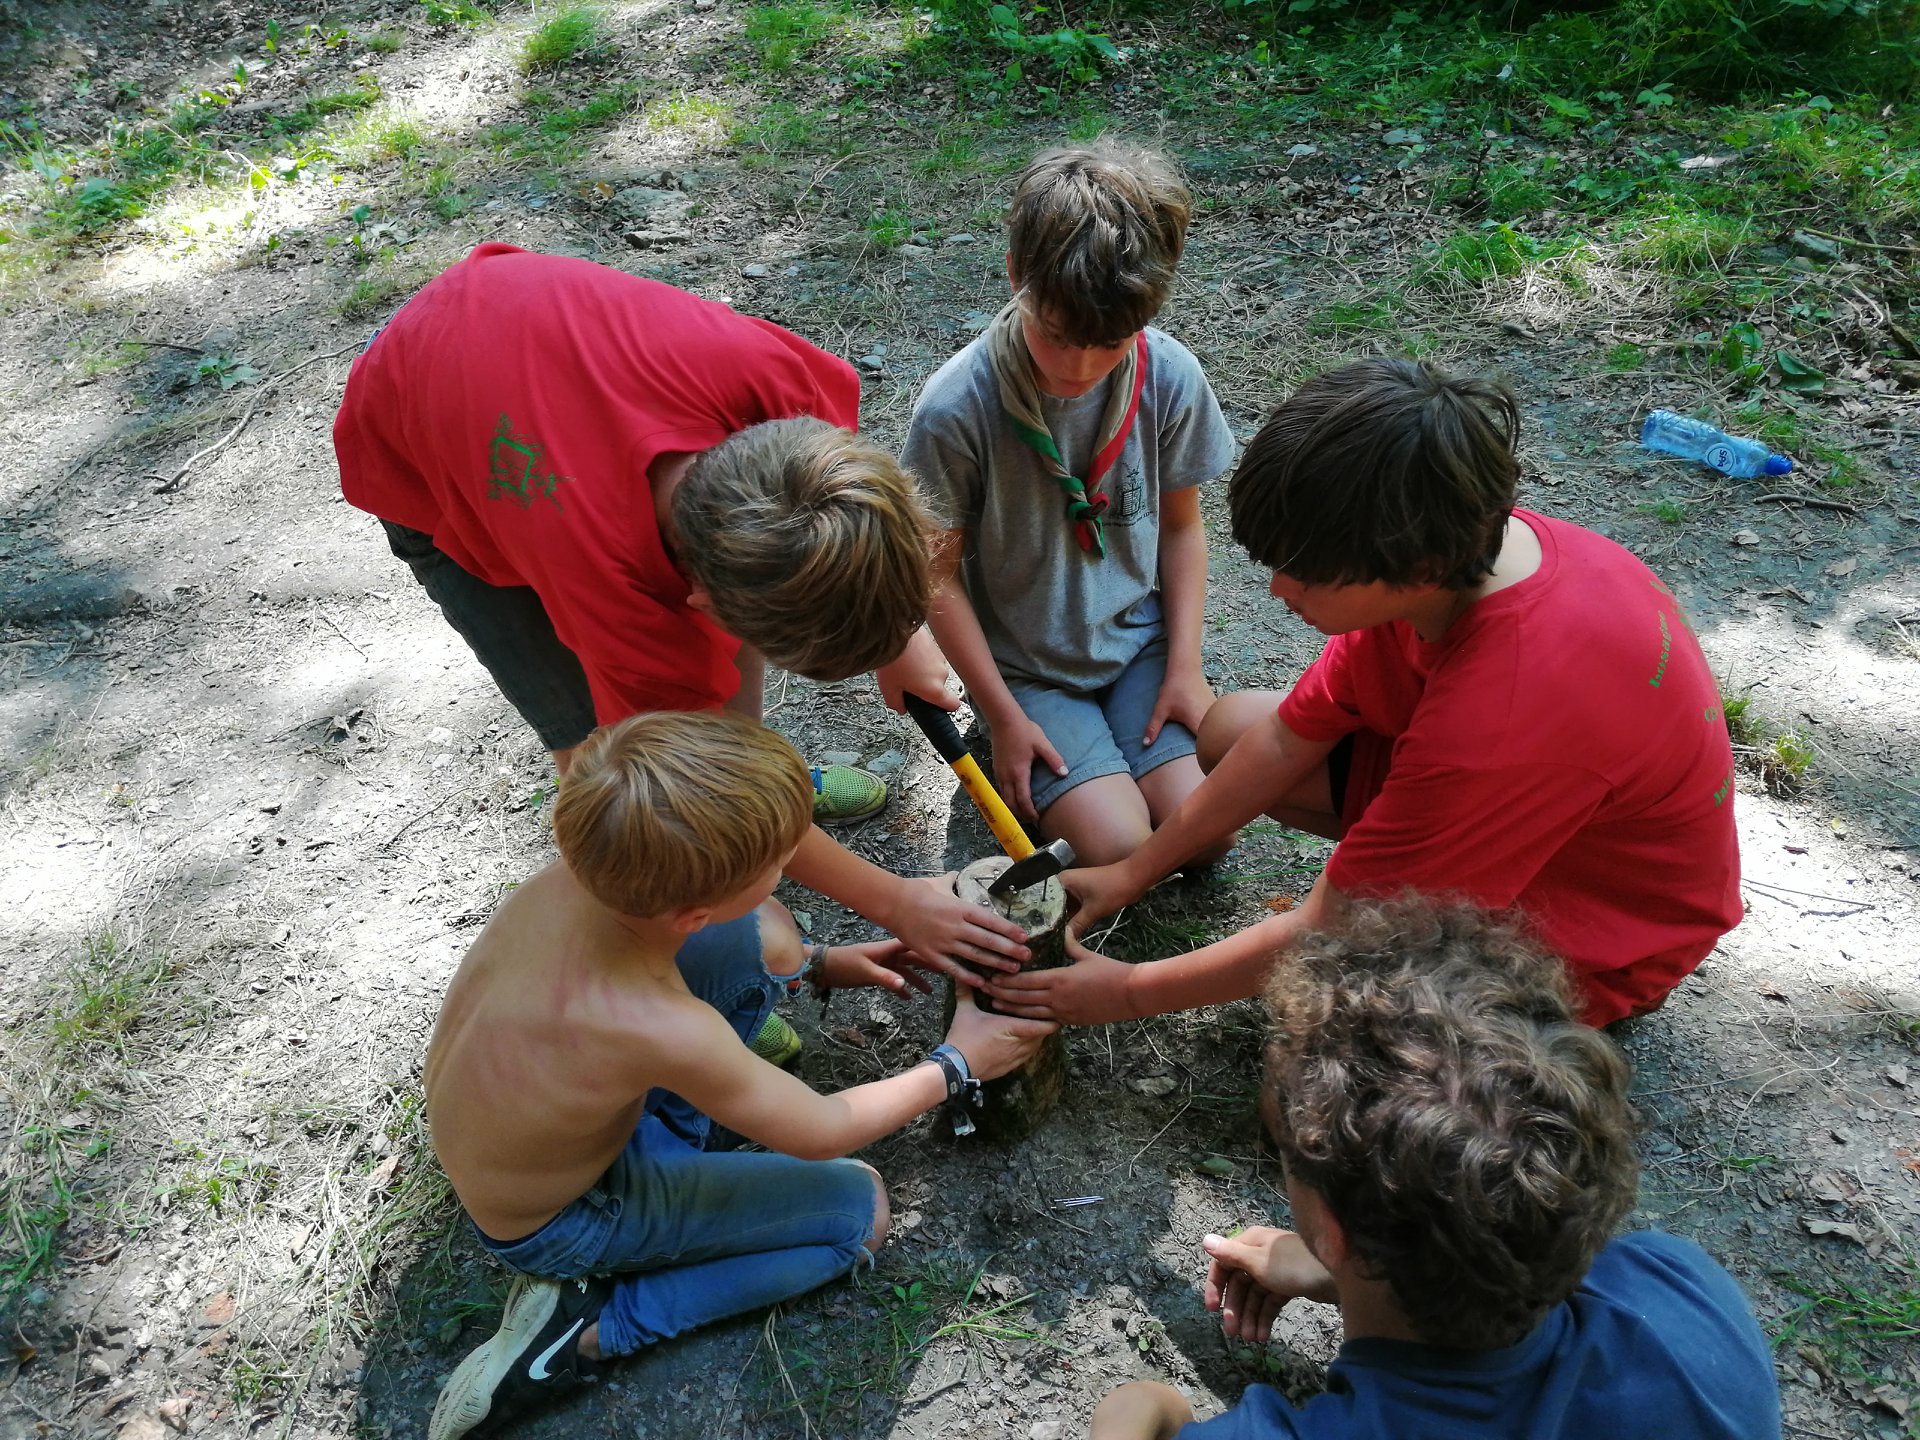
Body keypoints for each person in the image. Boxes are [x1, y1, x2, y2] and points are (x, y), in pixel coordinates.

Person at [334, 243, 1032, 1009]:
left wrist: (904, 635)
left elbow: (842, 541)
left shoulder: (792, 410)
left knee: (717, 731)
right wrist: (893, 900)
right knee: (621, 781)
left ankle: (766, 814)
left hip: (506, 319)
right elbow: (664, 778)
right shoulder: (618, 595)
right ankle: (703, 983)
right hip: (412, 420)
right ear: (697, 603)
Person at [991, 358, 1741, 1028]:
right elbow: (1289, 735)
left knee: (1334, 1070)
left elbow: (1336, 923)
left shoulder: (1504, 712)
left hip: (1591, 941)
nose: (1280, 589)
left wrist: (1128, 991)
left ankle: (1448, 917)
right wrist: (1133, 869)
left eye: (1309, 576)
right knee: (1237, 727)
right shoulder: (1448, 557)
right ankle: (1421, 863)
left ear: (1417, 568)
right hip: (1521, 820)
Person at [423, 711, 1054, 1440]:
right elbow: (824, 1131)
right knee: (858, 1214)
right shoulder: (654, 1022)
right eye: (779, 862)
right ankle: (588, 1331)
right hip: (566, 1217)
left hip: (537, 1149)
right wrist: (956, 1063)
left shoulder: (577, 879)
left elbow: (743, 935)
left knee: (763, 935)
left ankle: (678, 1157)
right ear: (690, 908)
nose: (790, 866)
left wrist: (824, 963)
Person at [1090, 898, 1781, 1440]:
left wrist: (1141, 1406)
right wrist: (1341, 1270)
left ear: (1332, 1225)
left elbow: (1143, 1416)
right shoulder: (1686, 1295)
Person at [902, 141, 1239, 867]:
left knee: (1207, 833)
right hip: (1027, 671)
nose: (1078, 367)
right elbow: (935, 574)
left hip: (1141, 649)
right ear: (1017, 274)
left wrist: (1184, 664)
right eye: (1056, 335)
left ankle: (1124, 742)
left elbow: (1182, 528)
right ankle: (1031, 745)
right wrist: (1001, 712)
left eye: (1111, 344)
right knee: (1121, 845)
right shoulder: (958, 408)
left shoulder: (1171, 376)